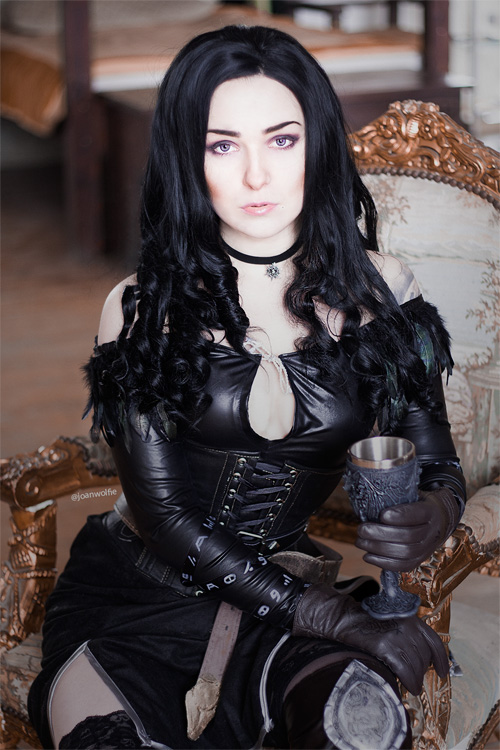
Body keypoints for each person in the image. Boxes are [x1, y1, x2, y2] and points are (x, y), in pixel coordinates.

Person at [28, 24, 466, 750]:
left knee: (359, 731)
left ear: (317, 145)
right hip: (136, 601)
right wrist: (332, 616)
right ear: (186, 156)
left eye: (282, 140)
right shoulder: (141, 309)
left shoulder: (382, 291)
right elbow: (166, 519)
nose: (257, 176)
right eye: (223, 146)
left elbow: (437, 461)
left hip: (285, 601)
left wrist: (438, 510)